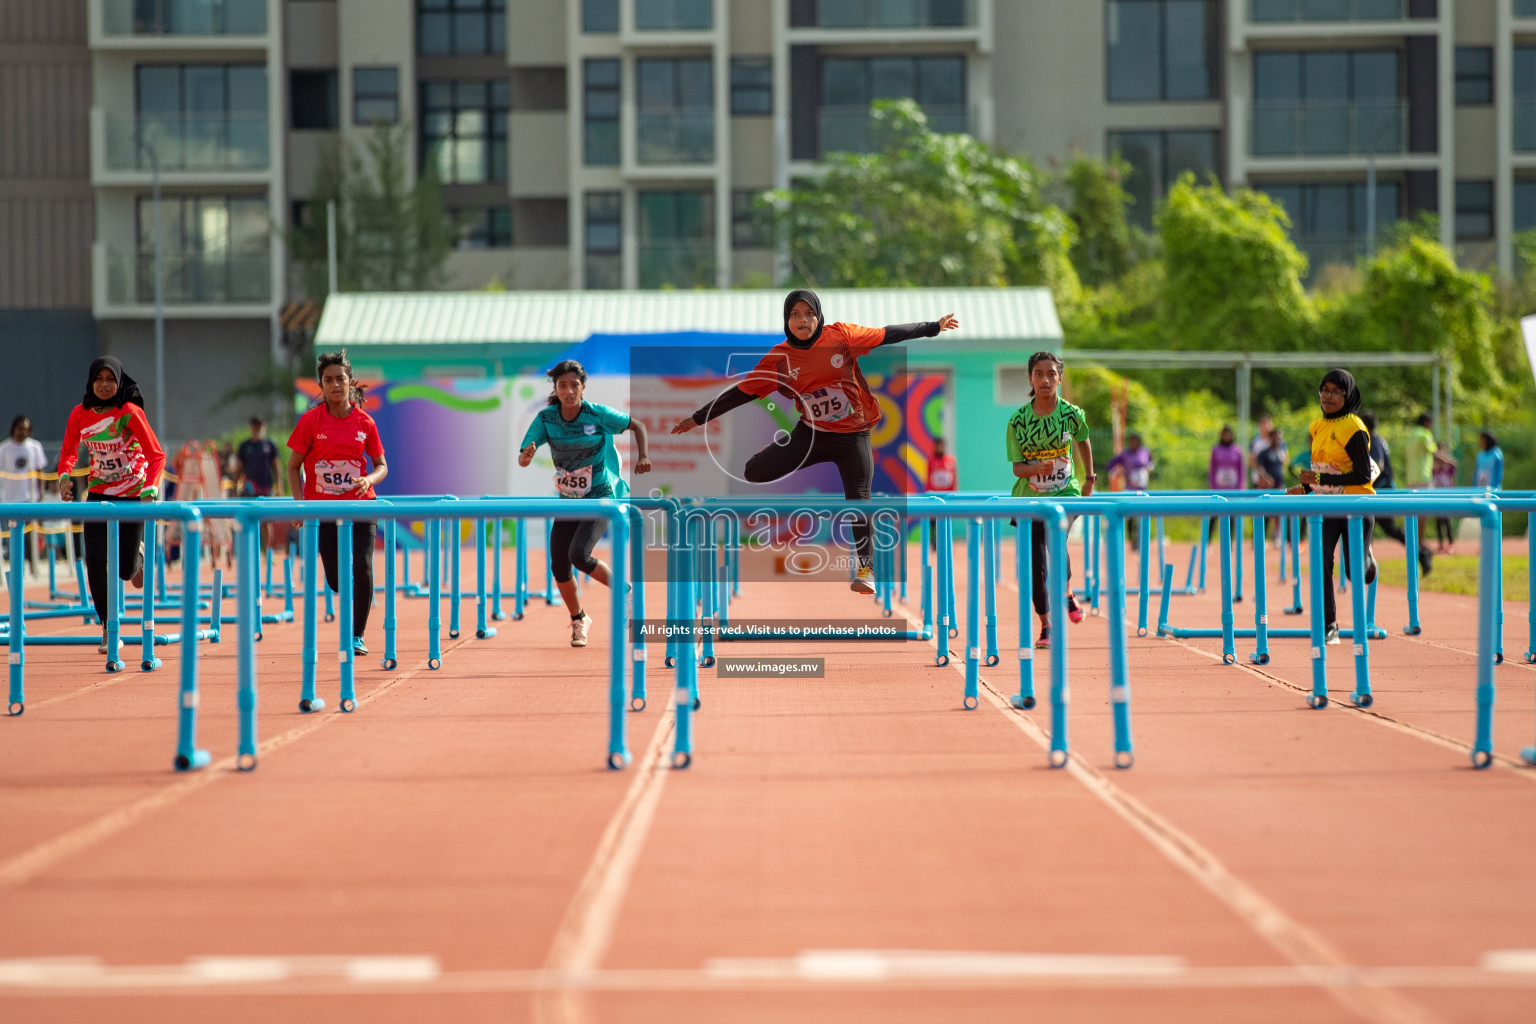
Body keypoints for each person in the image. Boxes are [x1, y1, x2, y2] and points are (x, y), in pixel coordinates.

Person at [671, 289, 959, 595]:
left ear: (818, 316)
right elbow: (743, 392)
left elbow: (887, 334)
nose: (803, 320)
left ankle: (866, 569)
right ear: (787, 320)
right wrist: (699, 417)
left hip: (853, 435)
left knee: (859, 500)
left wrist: (933, 327)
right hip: (811, 435)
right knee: (753, 471)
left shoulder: (842, 336)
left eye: (809, 313)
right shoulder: (778, 358)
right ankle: (777, 449)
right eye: (795, 315)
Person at [519, 359, 650, 647]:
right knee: (559, 567)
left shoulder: (596, 414)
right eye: (562, 385)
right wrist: (526, 456)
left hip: (601, 496)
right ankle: (579, 619)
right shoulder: (546, 419)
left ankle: (626, 591)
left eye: (574, 386)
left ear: (583, 388)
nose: (568, 391)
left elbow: (637, 425)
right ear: (555, 388)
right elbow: (524, 455)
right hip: (569, 500)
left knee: (580, 554)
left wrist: (642, 457)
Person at [56, 358, 166, 653]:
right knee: (94, 560)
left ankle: (138, 558)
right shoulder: (80, 414)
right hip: (99, 493)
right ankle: (108, 627)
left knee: (125, 570)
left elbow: (157, 455)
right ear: (91, 382)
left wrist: (150, 488)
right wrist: (64, 477)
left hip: (132, 493)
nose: (104, 385)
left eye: (110, 379)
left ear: (119, 383)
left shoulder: (128, 413)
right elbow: (67, 452)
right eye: (99, 379)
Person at [287, 350, 388, 657]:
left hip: (361, 506)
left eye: (340, 379)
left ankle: (356, 635)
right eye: (328, 380)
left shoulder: (365, 422)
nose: (334, 385)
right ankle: (354, 592)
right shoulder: (310, 421)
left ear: (349, 382)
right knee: (337, 580)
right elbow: (293, 467)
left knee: (365, 566)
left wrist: (369, 480)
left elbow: (382, 465)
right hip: (323, 509)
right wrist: (300, 506)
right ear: (322, 384)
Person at [1006, 351, 1095, 650]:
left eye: (1051, 374)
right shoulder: (1018, 421)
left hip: (1065, 492)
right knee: (1036, 564)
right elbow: (1018, 468)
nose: (1045, 379)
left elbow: (1083, 439)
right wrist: (1036, 469)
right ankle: (1046, 626)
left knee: (1056, 539)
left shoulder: (1072, 414)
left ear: (1060, 377)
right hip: (1029, 496)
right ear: (1030, 378)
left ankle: (1067, 592)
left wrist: (1089, 478)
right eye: (1039, 374)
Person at [1288, 369, 1379, 646]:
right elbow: (1322, 468)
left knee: (1354, 574)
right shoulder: (1317, 426)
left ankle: (1368, 563)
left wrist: (1317, 479)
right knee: (1320, 561)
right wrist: (1304, 488)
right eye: (1323, 391)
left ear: (1347, 395)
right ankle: (1330, 625)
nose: (1327, 397)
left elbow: (1363, 475)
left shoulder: (1354, 428)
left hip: (1355, 506)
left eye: (1334, 392)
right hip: (1326, 506)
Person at [1361, 411, 1432, 577]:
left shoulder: (1375, 442)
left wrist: (1362, 482)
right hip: (1377, 492)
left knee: (1386, 528)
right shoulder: (1375, 441)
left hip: (1381, 492)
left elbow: (1377, 466)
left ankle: (1422, 552)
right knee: (1371, 528)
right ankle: (1366, 565)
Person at [0, 415, 49, 575]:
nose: (23, 432)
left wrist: (40, 492)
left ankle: (33, 564)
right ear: (14, 428)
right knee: (13, 535)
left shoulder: (35, 447)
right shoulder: (4, 448)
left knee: (31, 535)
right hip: (10, 500)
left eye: (26, 429)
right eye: (20, 428)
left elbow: (40, 470)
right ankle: (16, 566)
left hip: (30, 498)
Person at [236, 416, 284, 552]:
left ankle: (268, 552)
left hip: (266, 487)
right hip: (249, 487)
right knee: (248, 519)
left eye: (259, 426)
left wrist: (279, 485)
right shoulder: (245, 446)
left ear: (264, 427)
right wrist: (234, 485)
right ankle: (249, 551)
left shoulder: (269, 445)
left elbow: (276, 466)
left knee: (266, 521)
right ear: (251, 428)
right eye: (254, 426)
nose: (257, 429)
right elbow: (239, 468)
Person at [1105, 431, 1153, 547]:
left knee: (1143, 514)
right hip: (1130, 488)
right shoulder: (1125, 454)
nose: (1132, 443)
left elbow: (1151, 462)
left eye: (1134, 441)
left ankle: (1142, 539)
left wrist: (1148, 469)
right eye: (1130, 441)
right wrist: (1116, 472)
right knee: (1130, 515)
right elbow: (1111, 464)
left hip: (1143, 488)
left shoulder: (1145, 452)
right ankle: (1132, 539)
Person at [925, 436, 958, 552]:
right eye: (937, 445)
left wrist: (954, 494)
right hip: (934, 497)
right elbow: (928, 478)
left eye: (941, 446)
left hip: (946, 497)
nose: (939, 448)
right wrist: (929, 494)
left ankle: (945, 542)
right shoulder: (930, 460)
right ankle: (934, 542)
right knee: (933, 521)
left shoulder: (951, 460)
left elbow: (954, 478)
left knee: (945, 520)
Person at [1208, 425, 1245, 491]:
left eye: (1229, 435)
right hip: (1219, 487)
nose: (1227, 437)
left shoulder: (1237, 451)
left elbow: (1241, 470)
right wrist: (1213, 487)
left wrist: (1240, 487)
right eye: (1225, 434)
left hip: (1233, 487)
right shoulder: (1215, 450)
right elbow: (1212, 469)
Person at [1249, 414, 1274, 488]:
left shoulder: (1277, 441)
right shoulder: (1255, 442)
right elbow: (1251, 462)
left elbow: (1284, 460)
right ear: (1259, 426)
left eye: (1268, 425)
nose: (1266, 428)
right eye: (1263, 425)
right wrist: (1264, 476)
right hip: (1259, 480)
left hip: (1274, 480)